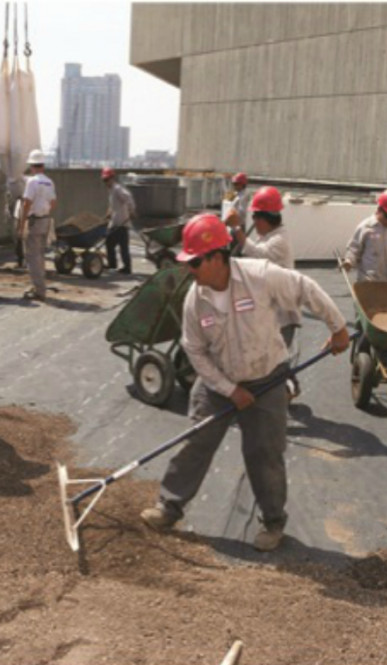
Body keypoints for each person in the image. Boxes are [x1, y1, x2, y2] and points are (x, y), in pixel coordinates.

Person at [140, 213, 351, 552]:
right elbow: (194, 351)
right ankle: (169, 506)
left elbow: (304, 288)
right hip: (217, 383)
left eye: (195, 261)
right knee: (195, 442)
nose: (190, 268)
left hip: (267, 378)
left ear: (217, 257)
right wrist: (228, 390)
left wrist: (338, 327)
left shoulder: (259, 276)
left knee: (264, 453)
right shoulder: (196, 299)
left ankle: (272, 521)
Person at [232, 186, 302, 401]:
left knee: (273, 358)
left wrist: (237, 230)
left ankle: (284, 392)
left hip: (282, 313)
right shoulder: (270, 236)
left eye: (256, 217)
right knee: (276, 357)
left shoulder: (278, 242)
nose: (254, 222)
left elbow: (258, 255)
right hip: (273, 311)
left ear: (265, 218)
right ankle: (289, 387)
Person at [341, 187, 387, 282]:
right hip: (370, 285)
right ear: (379, 210)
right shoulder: (365, 228)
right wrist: (349, 262)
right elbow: (354, 249)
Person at [17, 149, 56, 302]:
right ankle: (40, 286)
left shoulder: (32, 181)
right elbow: (53, 203)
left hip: (34, 222)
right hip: (45, 220)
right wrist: (44, 211)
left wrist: (22, 223)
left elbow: (27, 203)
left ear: (32, 166)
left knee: (32, 257)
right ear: (43, 165)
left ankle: (40, 291)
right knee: (40, 255)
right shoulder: (49, 182)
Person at [102, 167, 137, 274]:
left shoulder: (117, 189)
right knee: (113, 244)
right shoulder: (112, 190)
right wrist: (107, 215)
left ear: (112, 178)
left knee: (118, 245)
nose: (106, 182)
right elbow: (113, 206)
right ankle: (118, 266)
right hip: (116, 222)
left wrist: (131, 211)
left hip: (121, 222)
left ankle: (123, 267)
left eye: (107, 179)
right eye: (104, 180)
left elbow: (128, 198)